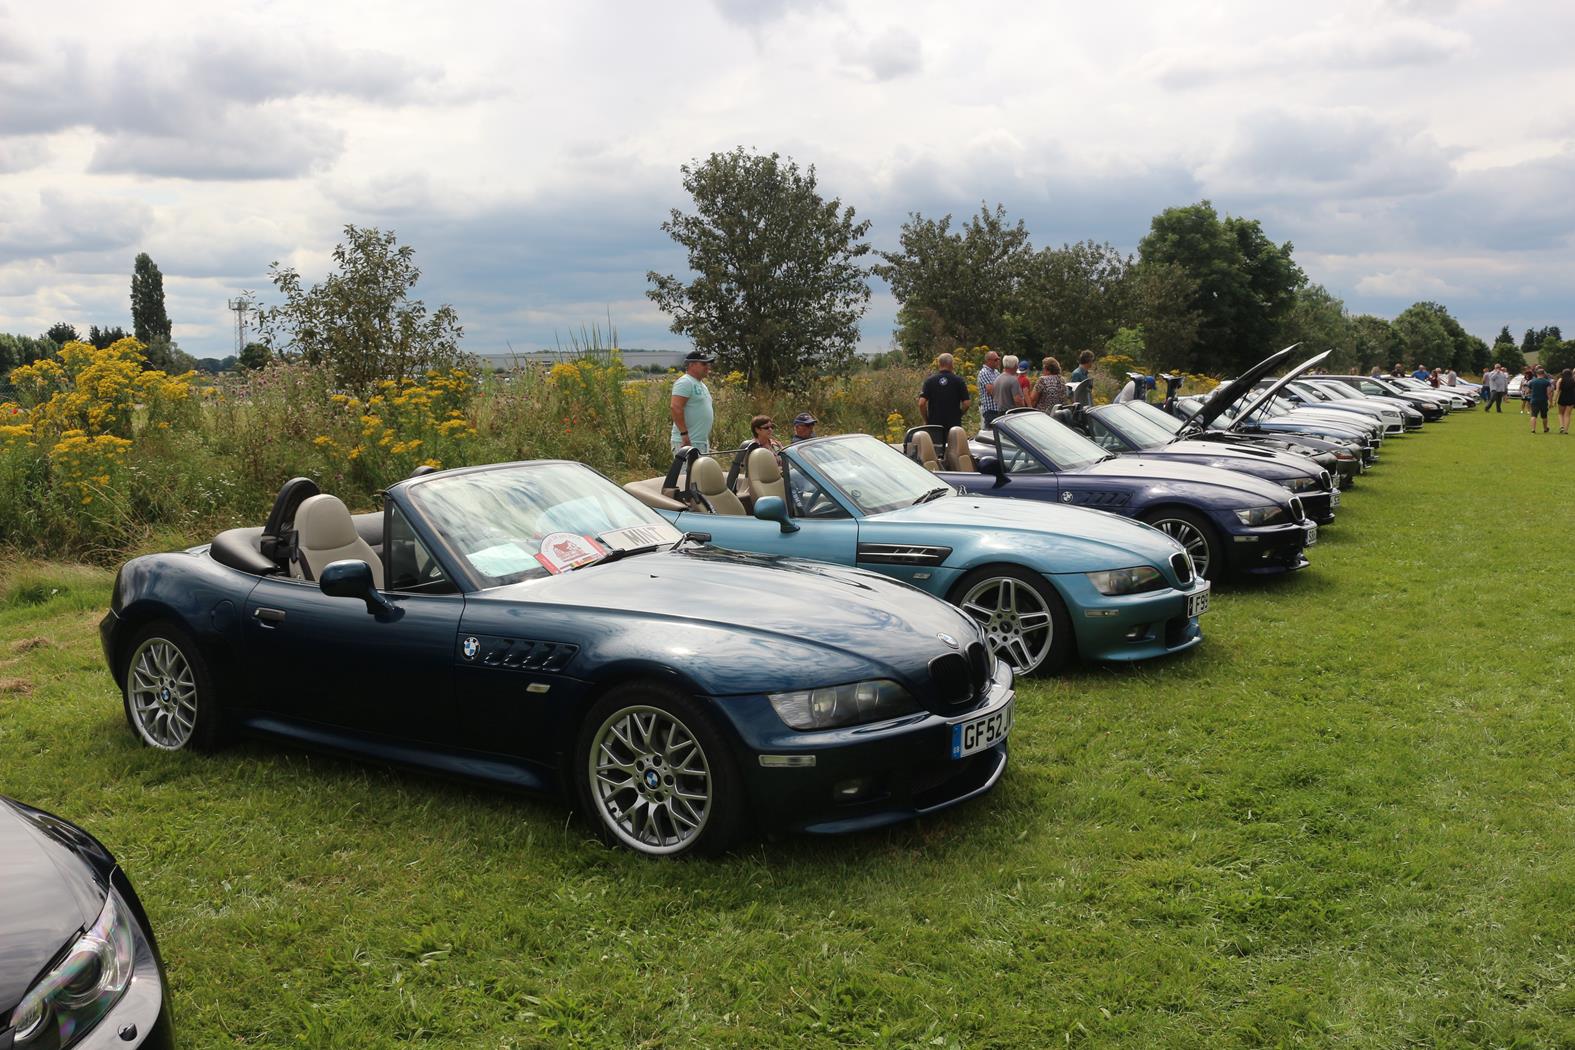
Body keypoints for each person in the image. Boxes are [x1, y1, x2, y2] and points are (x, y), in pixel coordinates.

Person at [669, 349, 714, 452]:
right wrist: (684, 435)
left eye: (708, 364)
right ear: (691, 365)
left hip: (700, 441)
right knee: (687, 469)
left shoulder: (701, 384)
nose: (708, 366)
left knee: (700, 469)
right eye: (703, 364)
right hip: (687, 441)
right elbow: (676, 407)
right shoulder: (685, 382)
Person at [918, 352, 971, 434]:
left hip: (935, 425)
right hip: (953, 425)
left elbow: (921, 403)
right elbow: (967, 404)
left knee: (936, 446)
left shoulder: (930, 381)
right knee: (954, 446)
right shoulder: (959, 381)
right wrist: (958, 415)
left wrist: (927, 420)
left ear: (939, 364)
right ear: (952, 364)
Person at [976, 350, 1003, 427]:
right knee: (991, 435)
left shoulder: (996, 372)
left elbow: (1000, 388)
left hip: (998, 409)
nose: (998, 361)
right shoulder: (984, 372)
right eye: (995, 360)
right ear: (988, 361)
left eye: (998, 359)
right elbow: (991, 391)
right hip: (990, 410)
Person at [1526, 366, 1553, 433]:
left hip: (1534, 400)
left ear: (1536, 374)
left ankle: (1533, 429)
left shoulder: (1532, 382)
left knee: (1534, 415)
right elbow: (1548, 393)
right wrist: (1550, 402)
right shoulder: (1547, 382)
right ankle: (1545, 429)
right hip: (1543, 401)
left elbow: (1527, 391)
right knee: (1544, 416)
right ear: (1543, 374)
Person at [1557, 369, 1575, 434]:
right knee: (1567, 415)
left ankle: (1561, 426)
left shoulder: (1560, 380)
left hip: (1562, 398)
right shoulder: (1573, 380)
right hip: (1571, 398)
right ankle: (1566, 430)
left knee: (1560, 413)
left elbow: (1557, 391)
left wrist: (1554, 400)